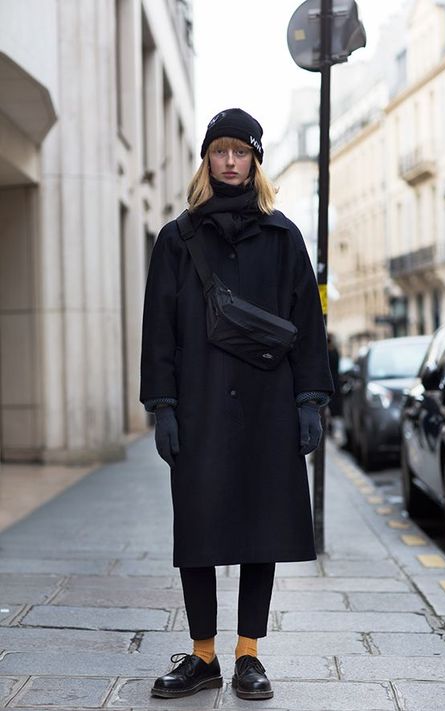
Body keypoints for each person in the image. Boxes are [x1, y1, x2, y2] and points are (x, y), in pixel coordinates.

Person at [140, 108, 334, 701]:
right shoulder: (178, 238)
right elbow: (159, 329)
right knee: (196, 528)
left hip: (267, 406)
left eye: (240, 152)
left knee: (260, 527)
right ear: (207, 159)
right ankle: (203, 656)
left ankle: (249, 655)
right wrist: (164, 406)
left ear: (254, 160)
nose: (230, 161)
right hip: (198, 404)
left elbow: (307, 320)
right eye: (219, 151)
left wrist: (309, 400)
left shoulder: (283, 236)